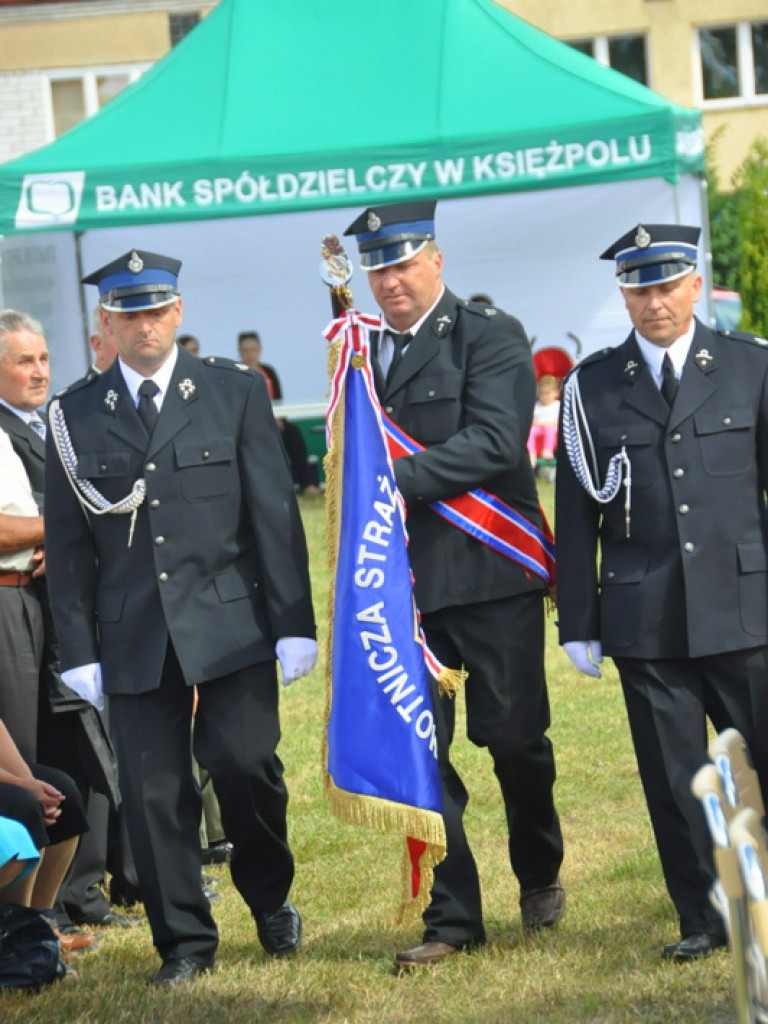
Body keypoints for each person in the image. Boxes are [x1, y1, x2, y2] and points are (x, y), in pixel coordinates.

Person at [44, 249, 317, 985]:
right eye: (129, 313)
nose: (145, 325)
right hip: (133, 631)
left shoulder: (232, 392)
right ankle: (185, 942)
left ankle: (269, 896)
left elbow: (273, 516)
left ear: (180, 312)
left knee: (244, 763)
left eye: (157, 309)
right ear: (107, 321)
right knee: (155, 790)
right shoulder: (72, 416)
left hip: (232, 622)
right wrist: (79, 649)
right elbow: (69, 547)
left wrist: (295, 622)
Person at [343, 201, 564, 969]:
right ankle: (454, 916)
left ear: (436, 260)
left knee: (514, 741)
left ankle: (539, 871)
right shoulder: (363, 354)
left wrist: (387, 478)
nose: (390, 281)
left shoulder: (490, 335)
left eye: (402, 263)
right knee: (422, 753)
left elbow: (496, 444)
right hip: (402, 588)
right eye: (377, 268)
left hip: (489, 575)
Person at [555, 222, 768, 963]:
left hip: (745, 606)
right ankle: (705, 918)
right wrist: (578, 619)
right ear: (624, 292)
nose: (656, 302)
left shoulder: (750, 368)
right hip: (644, 612)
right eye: (640, 287)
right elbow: (577, 510)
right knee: (675, 781)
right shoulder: (590, 386)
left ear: (695, 284)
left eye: (669, 284)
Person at [237, 330, 321, 495]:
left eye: (253, 350)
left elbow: (279, 400)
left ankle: (307, 484)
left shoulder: (268, 372)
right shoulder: (236, 373)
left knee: (293, 433)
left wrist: (279, 418)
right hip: (250, 426)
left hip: (274, 422)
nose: (249, 354)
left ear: (260, 350)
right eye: (245, 350)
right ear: (239, 352)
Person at [527, 374, 560, 467]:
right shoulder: (537, 405)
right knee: (530, 430)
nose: (544, 397)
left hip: (552, 431)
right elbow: (532, 420)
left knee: (549, 429)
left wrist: (545, 424)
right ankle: (531, 453)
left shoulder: (557, 406)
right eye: (542, 394)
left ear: (556, 393)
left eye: (547, 394)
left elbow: (558, 422)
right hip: (538, 430)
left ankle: (547, 450)